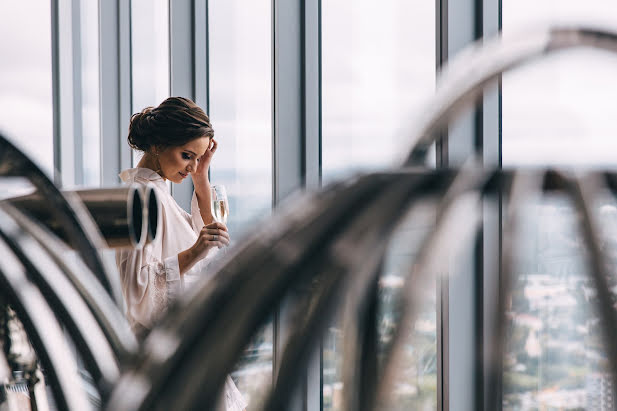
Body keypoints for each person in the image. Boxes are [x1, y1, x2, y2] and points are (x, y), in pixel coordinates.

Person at [115, 97, 247, 411]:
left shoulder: (157, 194)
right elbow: (135, 289)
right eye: (187, 156)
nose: (190, 167)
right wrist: (195, 251)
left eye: (198, 158)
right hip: (162, 356)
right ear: (158, 145)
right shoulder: (140, 199)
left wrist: (201, 177)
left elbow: (202, 231)